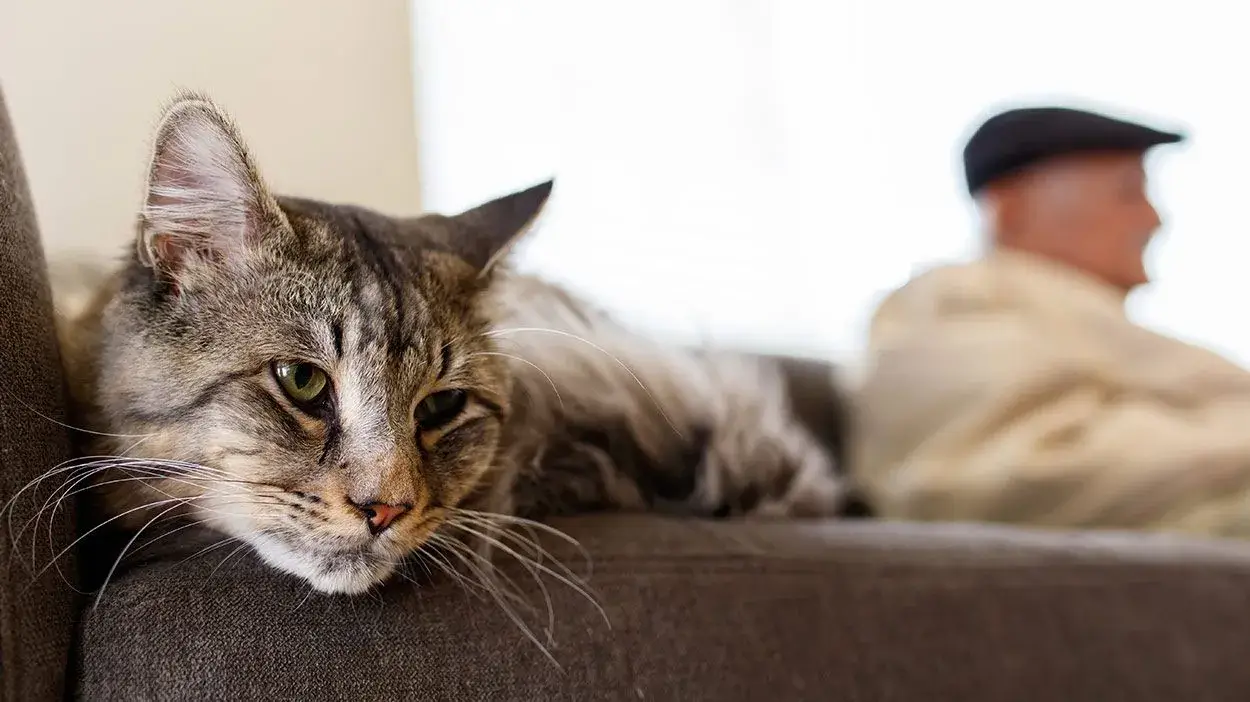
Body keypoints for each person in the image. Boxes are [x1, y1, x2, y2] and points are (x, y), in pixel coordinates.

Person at [851, 104, 1250, 537]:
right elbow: (1026, 471)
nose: (1155, 218)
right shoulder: (951, 305)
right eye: (1128, 193)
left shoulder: (1065, 322)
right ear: (1009, 209)